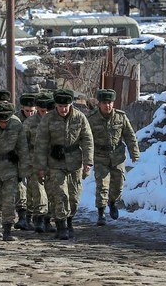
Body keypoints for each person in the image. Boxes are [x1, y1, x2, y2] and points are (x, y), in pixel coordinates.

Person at [35, 89, 94, 240]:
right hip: (55, 162)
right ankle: (61, 226)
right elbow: (41, 144)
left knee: (74, 196)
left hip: (74, 161)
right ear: (56, 105)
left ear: (71, 104)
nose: (63, 109)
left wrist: (88, 162)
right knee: (60, 194)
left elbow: (87, 140)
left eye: (66, 106)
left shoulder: (79, 118)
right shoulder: (48, 119)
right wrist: (40, 167)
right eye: (60, 106)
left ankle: (69, 221)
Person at [87, 89, 140, 226]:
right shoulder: (92, 119)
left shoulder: (120, 117)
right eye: (104, 103)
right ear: (99, 104)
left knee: (118, 186)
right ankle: (101, 212)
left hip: (117, 157)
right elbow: (86, 139)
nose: (107, 106)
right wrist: (86, 157)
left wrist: (134, 153)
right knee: (102, 185)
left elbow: (129, 135)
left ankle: (112, 202)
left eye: (110, 103)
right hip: (100, 156)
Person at [0, 102, 31, 241]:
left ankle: (8, 229)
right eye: (0, 121)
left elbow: (23, 149)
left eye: (5, 121)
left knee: (9, 200)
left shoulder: (16, 125)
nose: (3, 124)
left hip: (10, 167)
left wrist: (23, 171)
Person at [22, 93, 53, 233]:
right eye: (41, 111)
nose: (44, 114)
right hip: (34, 160)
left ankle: (48, 219)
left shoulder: (55, 120)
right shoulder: (29, 122)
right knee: (38, 190)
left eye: (47, 111)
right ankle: (39, 219)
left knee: (52, 191)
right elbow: (23, 144)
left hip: (52, 160)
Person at [14, 93, 37, 230]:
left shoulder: (41, 119)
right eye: (27, 111)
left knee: (34, 187)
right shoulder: (16, 119)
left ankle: (32, 216)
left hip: (35, 157)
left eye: (32, 111)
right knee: (20, 187)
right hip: (19, 157)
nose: (29, 114)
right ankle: (22, 216)